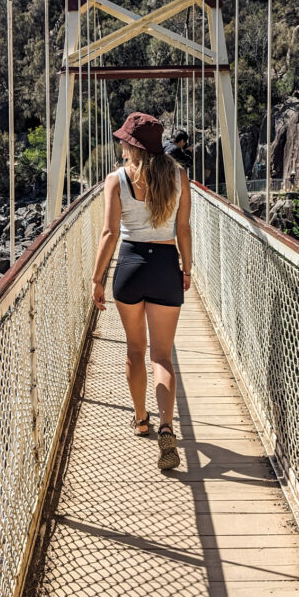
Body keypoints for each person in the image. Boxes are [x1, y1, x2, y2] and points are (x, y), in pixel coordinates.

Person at [91, 112, 192, 471]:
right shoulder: (179, 176)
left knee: (135, 350)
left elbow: (109, 234)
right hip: (165, 266)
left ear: (132, 146)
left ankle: (141, 419)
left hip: (130, 268)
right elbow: (183, 229)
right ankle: (167, 427)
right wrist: (187, 269)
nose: (119, 143)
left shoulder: (116, 179)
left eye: (123, 139)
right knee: (161, 357)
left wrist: (97, 278)